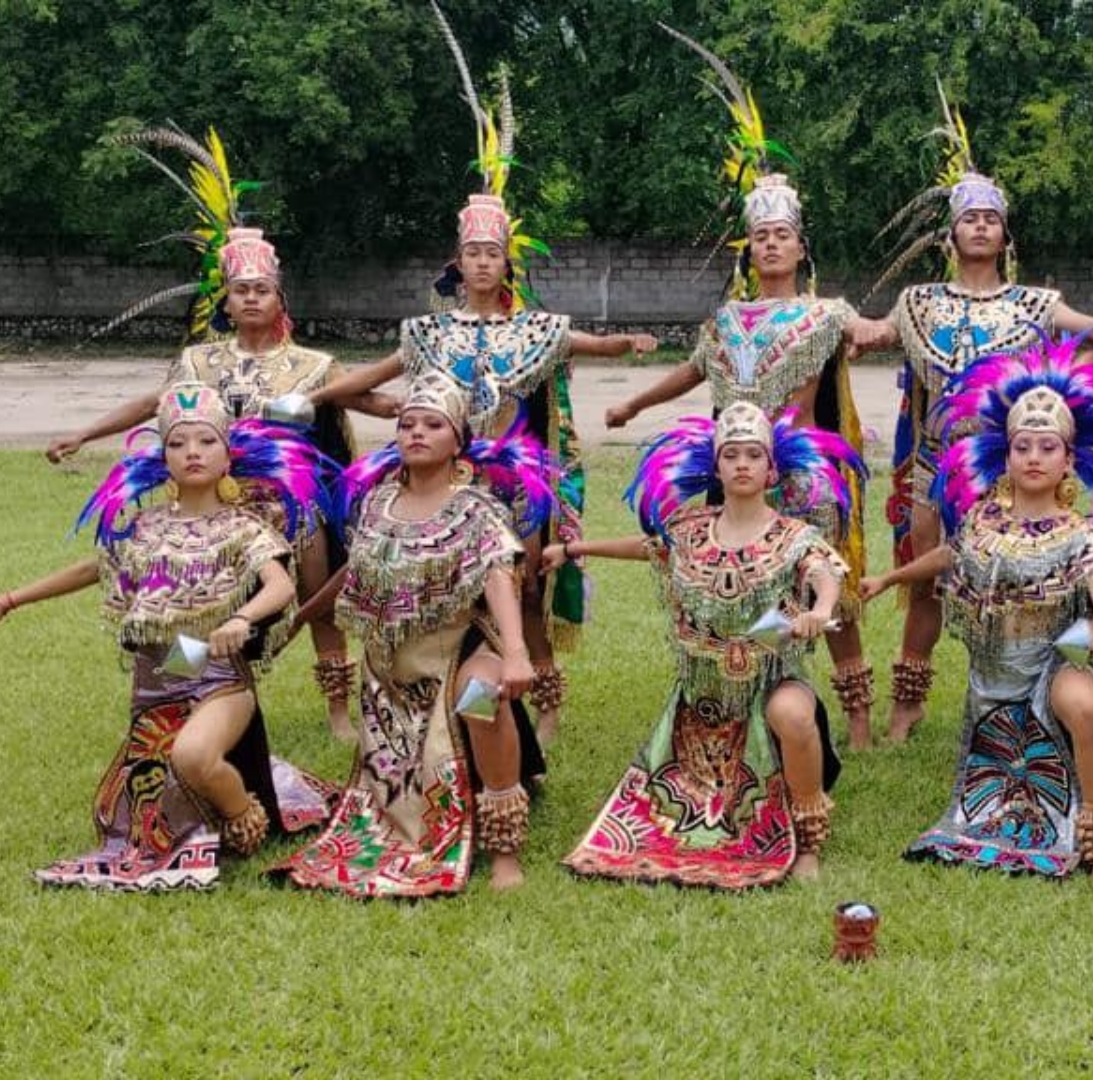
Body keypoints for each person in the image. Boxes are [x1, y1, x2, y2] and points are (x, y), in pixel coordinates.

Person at [312, 15, 657, 744]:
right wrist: (315, 397)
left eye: (491, 254)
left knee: (524, 587)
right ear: (456, 261)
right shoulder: (427, 331)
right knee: (437, 594)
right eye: (469, 253)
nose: (479, 264)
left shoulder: (537, 328)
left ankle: (541, 699)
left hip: (514, 481)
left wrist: (625, 343)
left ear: (507, 264)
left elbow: (584, 345)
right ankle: (437, 700)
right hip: (442, 476)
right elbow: (369, 383)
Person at [45, 126, 393, 737]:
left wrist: (408, 407)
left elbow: (359, 399)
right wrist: (85, 433)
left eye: (262, 289)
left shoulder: (312, 363)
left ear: (278, 295)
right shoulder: (199, 360)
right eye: (241, 290)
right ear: (225, 300)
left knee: (318, 599)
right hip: (210, 503)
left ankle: (338, 707)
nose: (252, 298)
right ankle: (188, 693)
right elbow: (156, 405)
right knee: (194, 596)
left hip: (291, 503)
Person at [604, 28, 876, 745]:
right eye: (760, 238)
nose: (772, 245)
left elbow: (878, 334)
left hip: (807, 471)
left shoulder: (828, 313)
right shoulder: (727, 318)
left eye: (783, 236)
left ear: (800, 244)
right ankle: (734, 691)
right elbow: (695, 371)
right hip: (737, 468)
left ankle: (858, 710)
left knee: (830, 578)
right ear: (750, 250)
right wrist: (635, 401)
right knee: (732, 579)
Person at [847, 83, 1093, 742]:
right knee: (925, 582)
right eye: (968, 218)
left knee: (1011, 586)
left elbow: (1092, 327)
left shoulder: (1034, 304)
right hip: (933, 461)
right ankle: (908, 700)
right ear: (950, 233)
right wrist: (838, 323)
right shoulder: (917, 302)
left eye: (990, 219)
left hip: (1011, 467)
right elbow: (878, 333)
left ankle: (1009, 694)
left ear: (1003, 234)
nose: (979, 227)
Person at [2, 383, 337, 890]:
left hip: (219, 677)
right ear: (164, 458)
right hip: (157, 682)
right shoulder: (145, 526)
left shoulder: (242, 527)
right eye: (178, 444)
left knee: (191, 757)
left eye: (205, 441)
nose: (192, 453)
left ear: (228, 456)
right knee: (144, 808)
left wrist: (242, 620)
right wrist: (13, 599)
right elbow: (94, 568)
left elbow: (280, 585)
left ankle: (244, 814)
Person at [861, 336, 1093, 885]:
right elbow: (948, 553)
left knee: (1085, 704)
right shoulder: (982, 520)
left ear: (1068, 460)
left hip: (1055, 661)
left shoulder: (1078, 532)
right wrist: (890, 577)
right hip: (995, 676)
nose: (1034, 458)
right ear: (1006, 455)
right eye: (1023, 446)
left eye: (1048, 448)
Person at [274, 372, 553, 896]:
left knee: (481, 698)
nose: (416, 432)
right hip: (390, 676)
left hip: (460, 653)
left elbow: (499, 575)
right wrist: (296, 622)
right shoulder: (375, 504)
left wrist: (516, 653)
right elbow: (351, 574)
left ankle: (505, 853)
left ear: (458, 441)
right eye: (407, 424)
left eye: (433, 424)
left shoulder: (476, 508)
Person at [561, 403, 858, 889]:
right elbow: (649, 546)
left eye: (754, 455)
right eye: (732, 455)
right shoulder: (690, 528)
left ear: (771, 469)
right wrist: (575, 550)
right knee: (664, 828)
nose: (742, 464)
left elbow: (825, 571)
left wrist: (821, 609)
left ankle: (808, 840)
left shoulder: (794, 535)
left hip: (770, 682)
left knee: (793, 714)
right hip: (700, 703)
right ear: (716, 468)